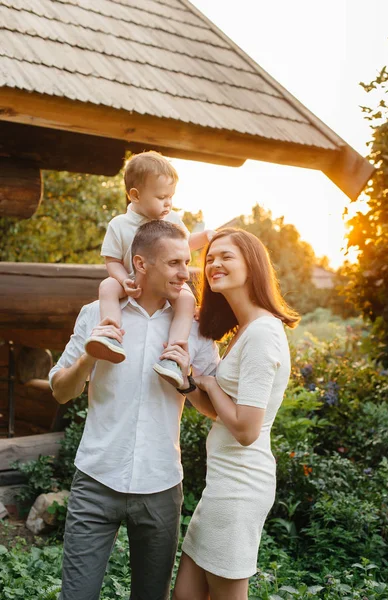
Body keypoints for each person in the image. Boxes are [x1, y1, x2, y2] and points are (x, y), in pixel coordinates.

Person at [49, 220, 220, 600]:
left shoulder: (193, 328)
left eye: (187, 262)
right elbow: (61, 391)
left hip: (160, 486)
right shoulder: (97, 313)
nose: (185, 272)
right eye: (174, 263)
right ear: (141, 264)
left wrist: (187, 383)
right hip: (96, 480)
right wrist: (87, 361)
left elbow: (216, 410)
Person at [165, 228, 300, 600]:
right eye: (209, 258)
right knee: (187, 595)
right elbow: (220, 414)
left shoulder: (262, 334)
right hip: (222, 482)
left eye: (226, 256)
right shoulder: (244, 330)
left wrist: (209, 384)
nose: (213, 263)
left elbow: (246, 429)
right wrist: (190, 384)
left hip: (241, 486)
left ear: (252, 265)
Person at [85, 150, 214, 388]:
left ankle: (173, 355)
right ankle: (110, 333)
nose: (168, 203)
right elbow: (112, 260)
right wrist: (124, 280)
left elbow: (185, 245)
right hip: (131, 282)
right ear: (135, 195)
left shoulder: (172, 219)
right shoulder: (120, 224)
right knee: (107, 286)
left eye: (171, 197)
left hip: (165, 286)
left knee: (186, 300)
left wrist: (205, 237)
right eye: (162, 197)